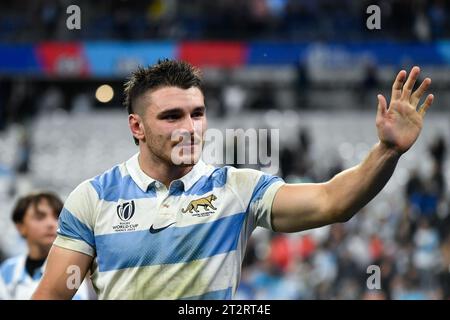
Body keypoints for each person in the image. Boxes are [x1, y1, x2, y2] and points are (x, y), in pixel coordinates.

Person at [32, 60, 433, 300]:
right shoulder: (93, 198)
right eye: (171, 116)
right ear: (136, 126)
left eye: (198, 113)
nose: (189, 127)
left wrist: (387, 151)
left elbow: (333, 202)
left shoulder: (237, 190)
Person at [0, 192, 94, 299]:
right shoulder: (7, 270)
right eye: (40, 217)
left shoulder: (73, 270)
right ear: (20, 227)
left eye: (57, 217)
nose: (51, 223)